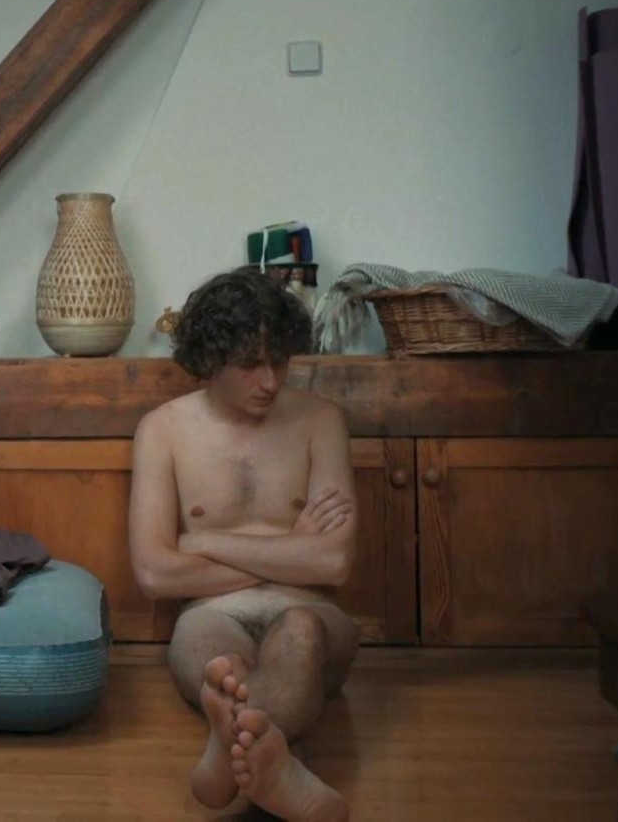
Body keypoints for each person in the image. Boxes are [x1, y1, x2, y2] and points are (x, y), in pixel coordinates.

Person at [129, 268, 356, 821]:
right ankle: (280, 767)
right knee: (222, 666)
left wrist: (204, 541)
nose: (270, 381)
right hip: (211, 615)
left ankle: (226, 750)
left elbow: (334, 562)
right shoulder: (162, 430)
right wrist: (290, 551)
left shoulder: (321, 421)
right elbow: (156, 575)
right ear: (211, 360)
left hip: (310, 608)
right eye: (251, 364)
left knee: (300, 632)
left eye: (279, 361)